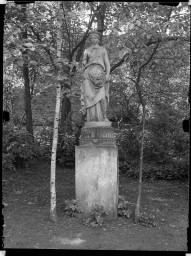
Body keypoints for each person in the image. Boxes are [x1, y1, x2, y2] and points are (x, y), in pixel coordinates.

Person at [80, 30, 110, 122]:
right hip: (88, 74)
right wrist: (83, 64)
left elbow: (107, 63)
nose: (93, 39)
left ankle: (104, 117)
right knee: (89, 97)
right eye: (91, 38)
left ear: (98, 39)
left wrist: (108, 73)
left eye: (95, 38)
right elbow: (84, 62)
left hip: (100, 74)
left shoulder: (102, 49)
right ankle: (91, 119)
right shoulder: (87, 50)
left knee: (103, 97)